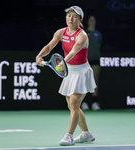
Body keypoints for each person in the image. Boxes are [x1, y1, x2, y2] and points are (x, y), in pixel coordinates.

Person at [36, 6, 96, 146]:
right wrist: (39, 56)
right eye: (68, 15)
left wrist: (62, 62)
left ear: (80, 20)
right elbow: (49, 47)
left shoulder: (82, 35)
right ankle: (86, 134)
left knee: (74, 103)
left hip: (81, 71)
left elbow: (74, 51)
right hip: (69, 71)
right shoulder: (61, 32)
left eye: (75, 16)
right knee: (72, 105)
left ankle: (69, 136)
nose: (70, 18)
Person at [81, 15, 102, 111]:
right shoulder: (84, 33)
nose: (93, 21)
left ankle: (94, 102)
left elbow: (98, 45)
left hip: (96, 59)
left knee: (95, 81)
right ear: (88, 22)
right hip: (86, 60)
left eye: (94, 20)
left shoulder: (99, 34)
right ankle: (84, 102)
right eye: (91, 20)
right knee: (85, 81)